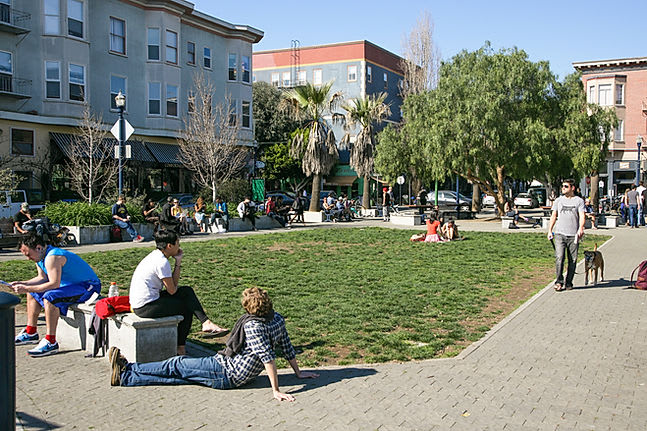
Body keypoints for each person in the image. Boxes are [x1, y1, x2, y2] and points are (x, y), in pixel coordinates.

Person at [110, 287, 319, 401]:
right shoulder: (276, 319)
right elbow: (287, 347)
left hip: (227, 373)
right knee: (181, 377)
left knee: (176, 365)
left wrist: (276, 390)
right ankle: (127, 377)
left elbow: (268, 358)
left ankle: (129, 367)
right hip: (229, 371)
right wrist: (298, 373)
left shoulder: (253, 326)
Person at [129, 229, 228, 355]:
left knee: (186, 291)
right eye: (177, 243)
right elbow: (172, 290)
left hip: (143, 302)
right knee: (186, 308)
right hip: (146, 307)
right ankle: (180, 348)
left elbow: (173, 289)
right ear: (169, 246)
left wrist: (177, 262)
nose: (179, 246)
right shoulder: (161, 262)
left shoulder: (155, 256)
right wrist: (178, 263)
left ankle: (206, 323)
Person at [13, 233, 101, 356]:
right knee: (32, 291)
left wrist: (26, 287)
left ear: (38, 247)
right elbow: (42, 278)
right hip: (71, 286)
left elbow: (53, 284)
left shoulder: (52, 257)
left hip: (88, 287)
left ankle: (51, 341)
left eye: (28, 254)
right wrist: (23, 284)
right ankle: (31, 332)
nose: (28, 258)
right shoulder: (41, 257)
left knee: (50, 297)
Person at [547, 179, 585, 291]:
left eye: (566, 186)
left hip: (573, 235)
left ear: (572, 188)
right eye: (562, 186)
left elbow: (582, 215)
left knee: (572, 260)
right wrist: (550, 230)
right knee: (559, 258)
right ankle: (559, 281)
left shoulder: (579, 201)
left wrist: (581, 228)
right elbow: (554, 215)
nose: (563, 188)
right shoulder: (558, 200)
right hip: (560, 234)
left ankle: (569, 282)